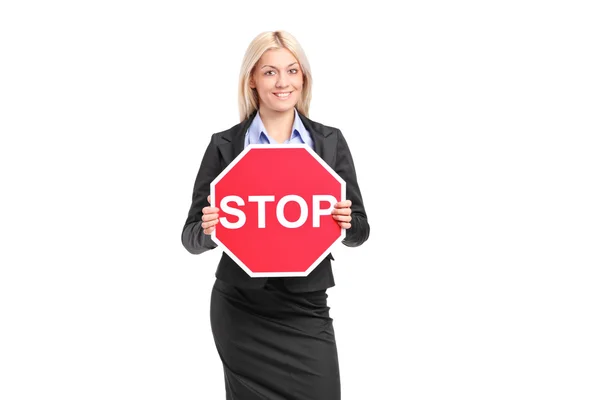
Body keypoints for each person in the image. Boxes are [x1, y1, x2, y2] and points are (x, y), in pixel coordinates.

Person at [181, 30, 369, 400]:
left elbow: (360, 230)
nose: (282, 82)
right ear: (252, 79)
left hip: (306, 306)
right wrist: (209, 230)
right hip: (241, 309)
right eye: (269, 72)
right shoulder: (225, 145)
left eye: (292, 71)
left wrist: (346, 223)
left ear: (303, 78)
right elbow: (190, 237)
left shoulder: (329, 142)